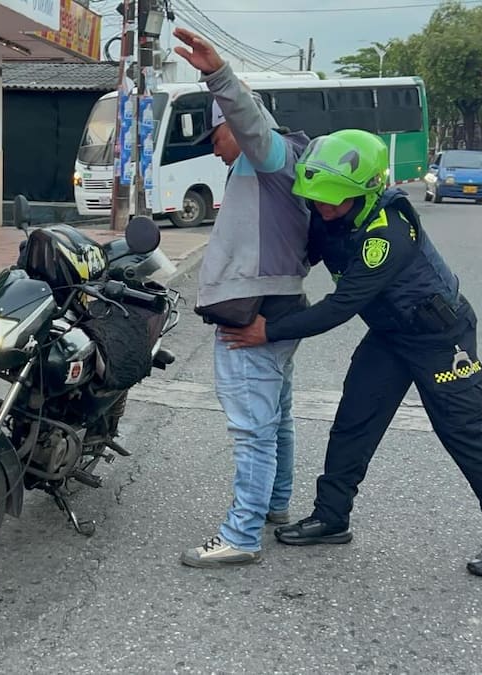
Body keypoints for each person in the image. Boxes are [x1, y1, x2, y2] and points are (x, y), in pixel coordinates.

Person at [220, 129, 482, 579]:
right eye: (318, 201)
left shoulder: (388, 233)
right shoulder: (326, 213)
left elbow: (341, 306)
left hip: (440, 337)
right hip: (389, 334)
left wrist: (269, 330)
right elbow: (295, 252)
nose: (323, 210)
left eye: (333, 202)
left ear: (364, 192)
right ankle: (332, 517)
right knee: (354, 421)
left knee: (463, 431)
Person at [172, 27, 313, 569]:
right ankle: (274, 502)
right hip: (282, 304)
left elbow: (249, 119)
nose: (215, 147)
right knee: (276, 416)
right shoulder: (284, 164)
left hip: (253, 312)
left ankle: (241, 533)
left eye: (216, 137)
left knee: (251, 428)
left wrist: (217, 74)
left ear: (235, 128)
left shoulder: (268, 156)